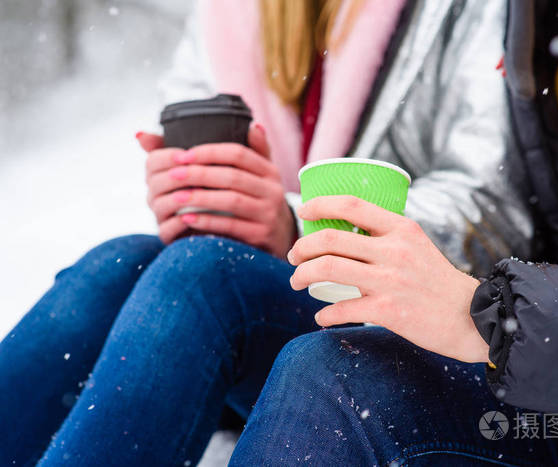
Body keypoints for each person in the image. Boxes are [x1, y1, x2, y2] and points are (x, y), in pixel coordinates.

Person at [0, 0, 531, 465]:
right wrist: (192, 192)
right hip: (280, 295)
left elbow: (496, 208)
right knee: (120, 263)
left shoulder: (468, 7)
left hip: (419, 323)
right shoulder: (229, 11)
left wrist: (297, 225)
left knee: (203, 275)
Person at [229, 0, 558, 465]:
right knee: (218, 281)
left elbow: (489, 199)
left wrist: (493, 315)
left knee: (324, 374)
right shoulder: (540, 13)